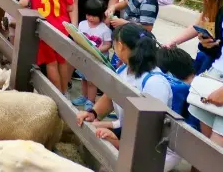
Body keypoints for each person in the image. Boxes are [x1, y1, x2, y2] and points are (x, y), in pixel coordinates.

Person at [76, 24, 182, 170]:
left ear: (120, 46)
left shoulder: (154, 83)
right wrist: (93, 113)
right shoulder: (124, 69)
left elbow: (150, 131)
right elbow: (112, 95)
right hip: (130, 132)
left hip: (155, 151)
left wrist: (118, 143)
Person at [19, 0, 75, 95]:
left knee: (51, 63)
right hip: (61, 27)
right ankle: (64, 93)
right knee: (62, 61)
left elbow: (24, 2)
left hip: (44, 27)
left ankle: (57, 96)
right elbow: (70, 7)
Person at [72, 0, 113, 108]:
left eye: (94, 16)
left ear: (101, 15)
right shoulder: (82, 24)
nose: (90, 18)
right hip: (84, 57)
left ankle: (91, 100)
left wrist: (97, 50)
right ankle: (83, 96)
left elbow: (108, 44)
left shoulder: (104, 29)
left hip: (96, 59)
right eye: (88, 15)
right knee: (84, 79)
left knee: (92, 81)